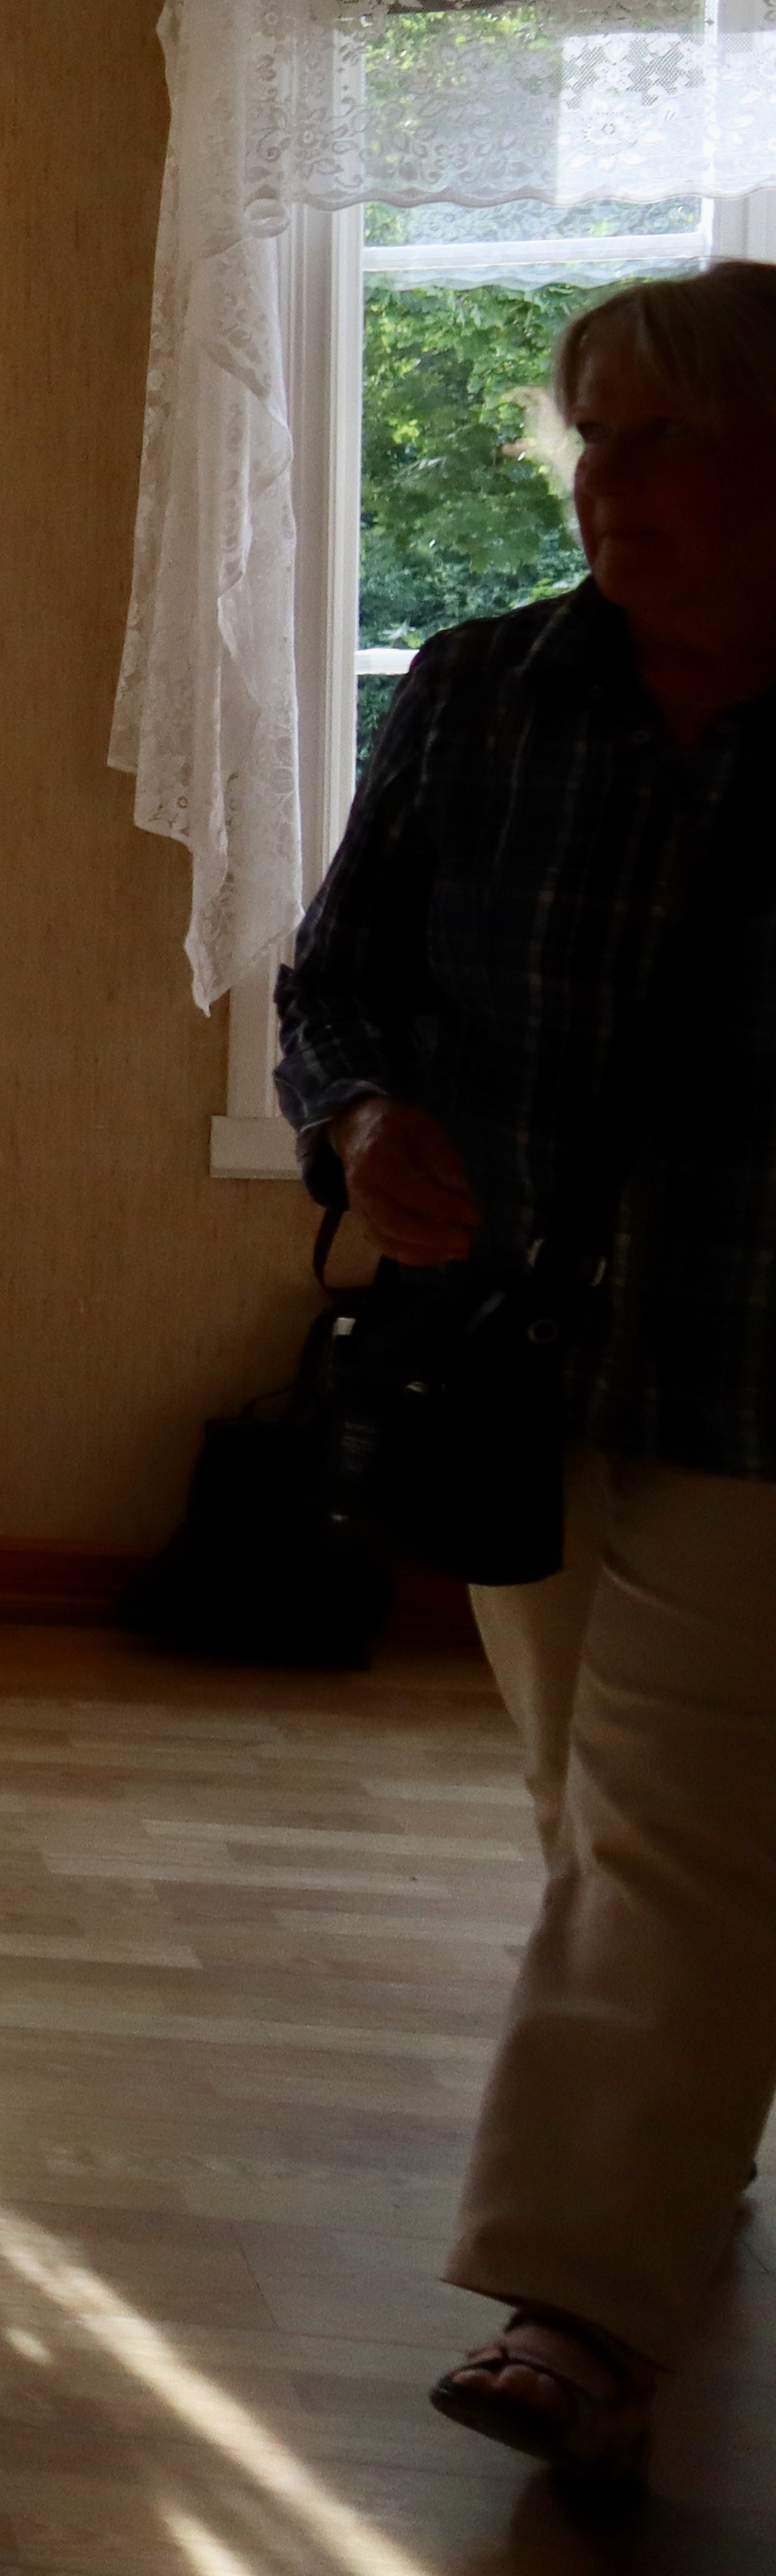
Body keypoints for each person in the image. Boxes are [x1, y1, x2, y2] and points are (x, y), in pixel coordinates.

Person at [277, 259, 776, 2493]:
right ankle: (680, 2142)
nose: (613, 485)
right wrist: (365, 1112)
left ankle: (577, 2304)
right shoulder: (488, 692)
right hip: (511, 1364)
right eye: (597, 438)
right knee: (602, 1806)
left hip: (755, 1371)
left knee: (666, 1826)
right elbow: (337, 978)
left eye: (672, 440)